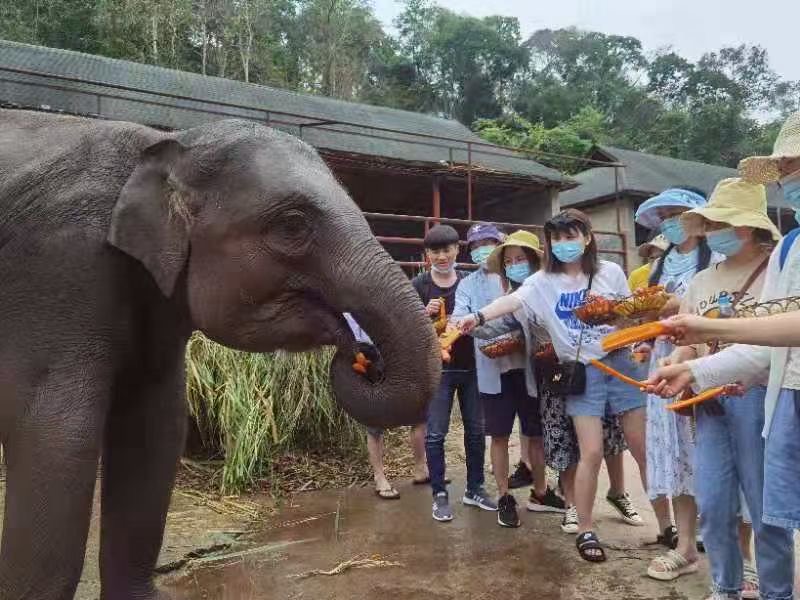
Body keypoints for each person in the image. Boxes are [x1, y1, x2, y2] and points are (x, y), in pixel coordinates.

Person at [646, 114, 800, 600]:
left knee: (767, 507)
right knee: (715, 501)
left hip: (758, 397)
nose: (713, 231)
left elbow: (772, 334)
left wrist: (706, 337)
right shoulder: (783, 255)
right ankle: (725, 586)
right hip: (727, 395)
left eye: (722, 223)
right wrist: (687, 364)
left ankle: (773, 588)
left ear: (750, 227)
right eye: (787, 171)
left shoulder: (774, 260)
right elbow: (725, 341)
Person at [458, 209, 649, 562]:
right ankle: (584, 526)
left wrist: (614, 317)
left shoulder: (611, 272)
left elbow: (627, 314)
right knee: (587, 450)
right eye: (556, 239)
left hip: (619, 364)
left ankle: (673, 529)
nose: (563, 244)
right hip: (576, 372)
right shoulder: (543, 280)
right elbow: (512, 301)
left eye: (570, 236)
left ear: (587, 237)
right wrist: (480, 316)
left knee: (641, 449)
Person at [453, 223, 560, 527]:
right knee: (498, 435)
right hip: (493, 370)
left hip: (531, 369)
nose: (481, 249)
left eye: (488, 242)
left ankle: (540, 492)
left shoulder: (534, 284)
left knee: (535, 434)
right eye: (475, 245)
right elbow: (471, 319)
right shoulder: (470, 285)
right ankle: (503, 496)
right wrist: (475, 326)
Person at [411, 224, 492, 523]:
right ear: (427, 254)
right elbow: (408, 327)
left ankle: (475, 488)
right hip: (439, 369)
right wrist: (424, 313)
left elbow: (486, 319)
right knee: (435, 434)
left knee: (475, 430)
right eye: (435, 251)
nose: (442, 256)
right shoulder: (419, 285)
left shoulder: (471, 283)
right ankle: (439, 494)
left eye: (447, 250)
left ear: (457, 250)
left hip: (472, 366)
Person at [344, 313, 429, 499]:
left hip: (395, 355)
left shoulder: (383, 295)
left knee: (419, 414)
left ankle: (421, 468)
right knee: (374, 423)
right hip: (365, 358)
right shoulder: (346, 306)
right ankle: (379, 477)